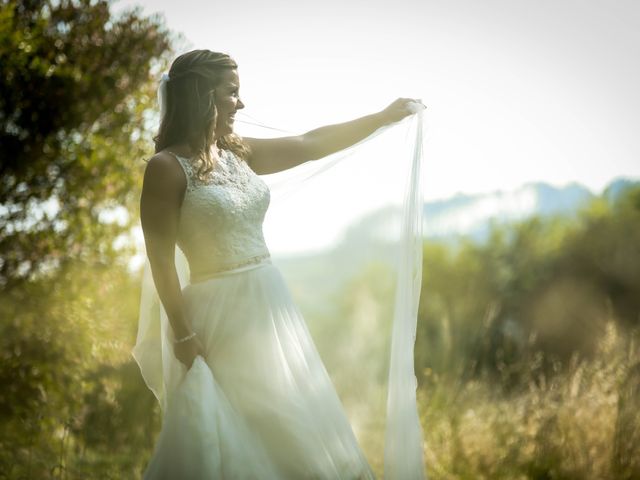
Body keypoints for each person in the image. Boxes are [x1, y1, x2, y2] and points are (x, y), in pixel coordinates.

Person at [134, 49, 424, 479]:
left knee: (296, 422)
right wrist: (183, 333)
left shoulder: (238, 154)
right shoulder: (165, 169)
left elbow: (309, 144)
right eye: (232, 93)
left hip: (268, 305)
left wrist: (381, 117)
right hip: (216, 317)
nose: (241, 103)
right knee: (243, 427)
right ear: (202, 95)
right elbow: (160, 262)